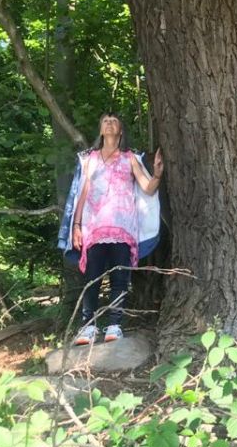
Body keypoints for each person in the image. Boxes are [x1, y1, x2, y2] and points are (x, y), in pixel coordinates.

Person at [61, 113, 163, 345]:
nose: (108, 123)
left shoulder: (130, 159)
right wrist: (76, 226)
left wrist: (157, 174)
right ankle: (88, 327)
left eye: (114, 121)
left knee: (120, 278)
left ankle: (114, 325)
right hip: (94, 228)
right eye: (104, 120)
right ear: (100, 130)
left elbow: (147, 188)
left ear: (120, 131)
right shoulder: (90, 159)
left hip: (123, 227)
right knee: (92, 278)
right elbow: (82, 195)